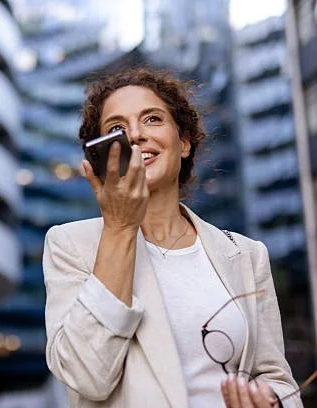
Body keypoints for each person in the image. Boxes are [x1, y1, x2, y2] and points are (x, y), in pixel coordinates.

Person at [42, 66, 303, 407]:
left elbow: (277, 379)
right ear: (102, 157)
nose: (135, 134)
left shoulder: (246, 254)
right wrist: (120, 228)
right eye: (117, 128)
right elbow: (86, 376)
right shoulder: (70, 245)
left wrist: (271, 401)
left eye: (152, 119)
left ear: (183, 142)